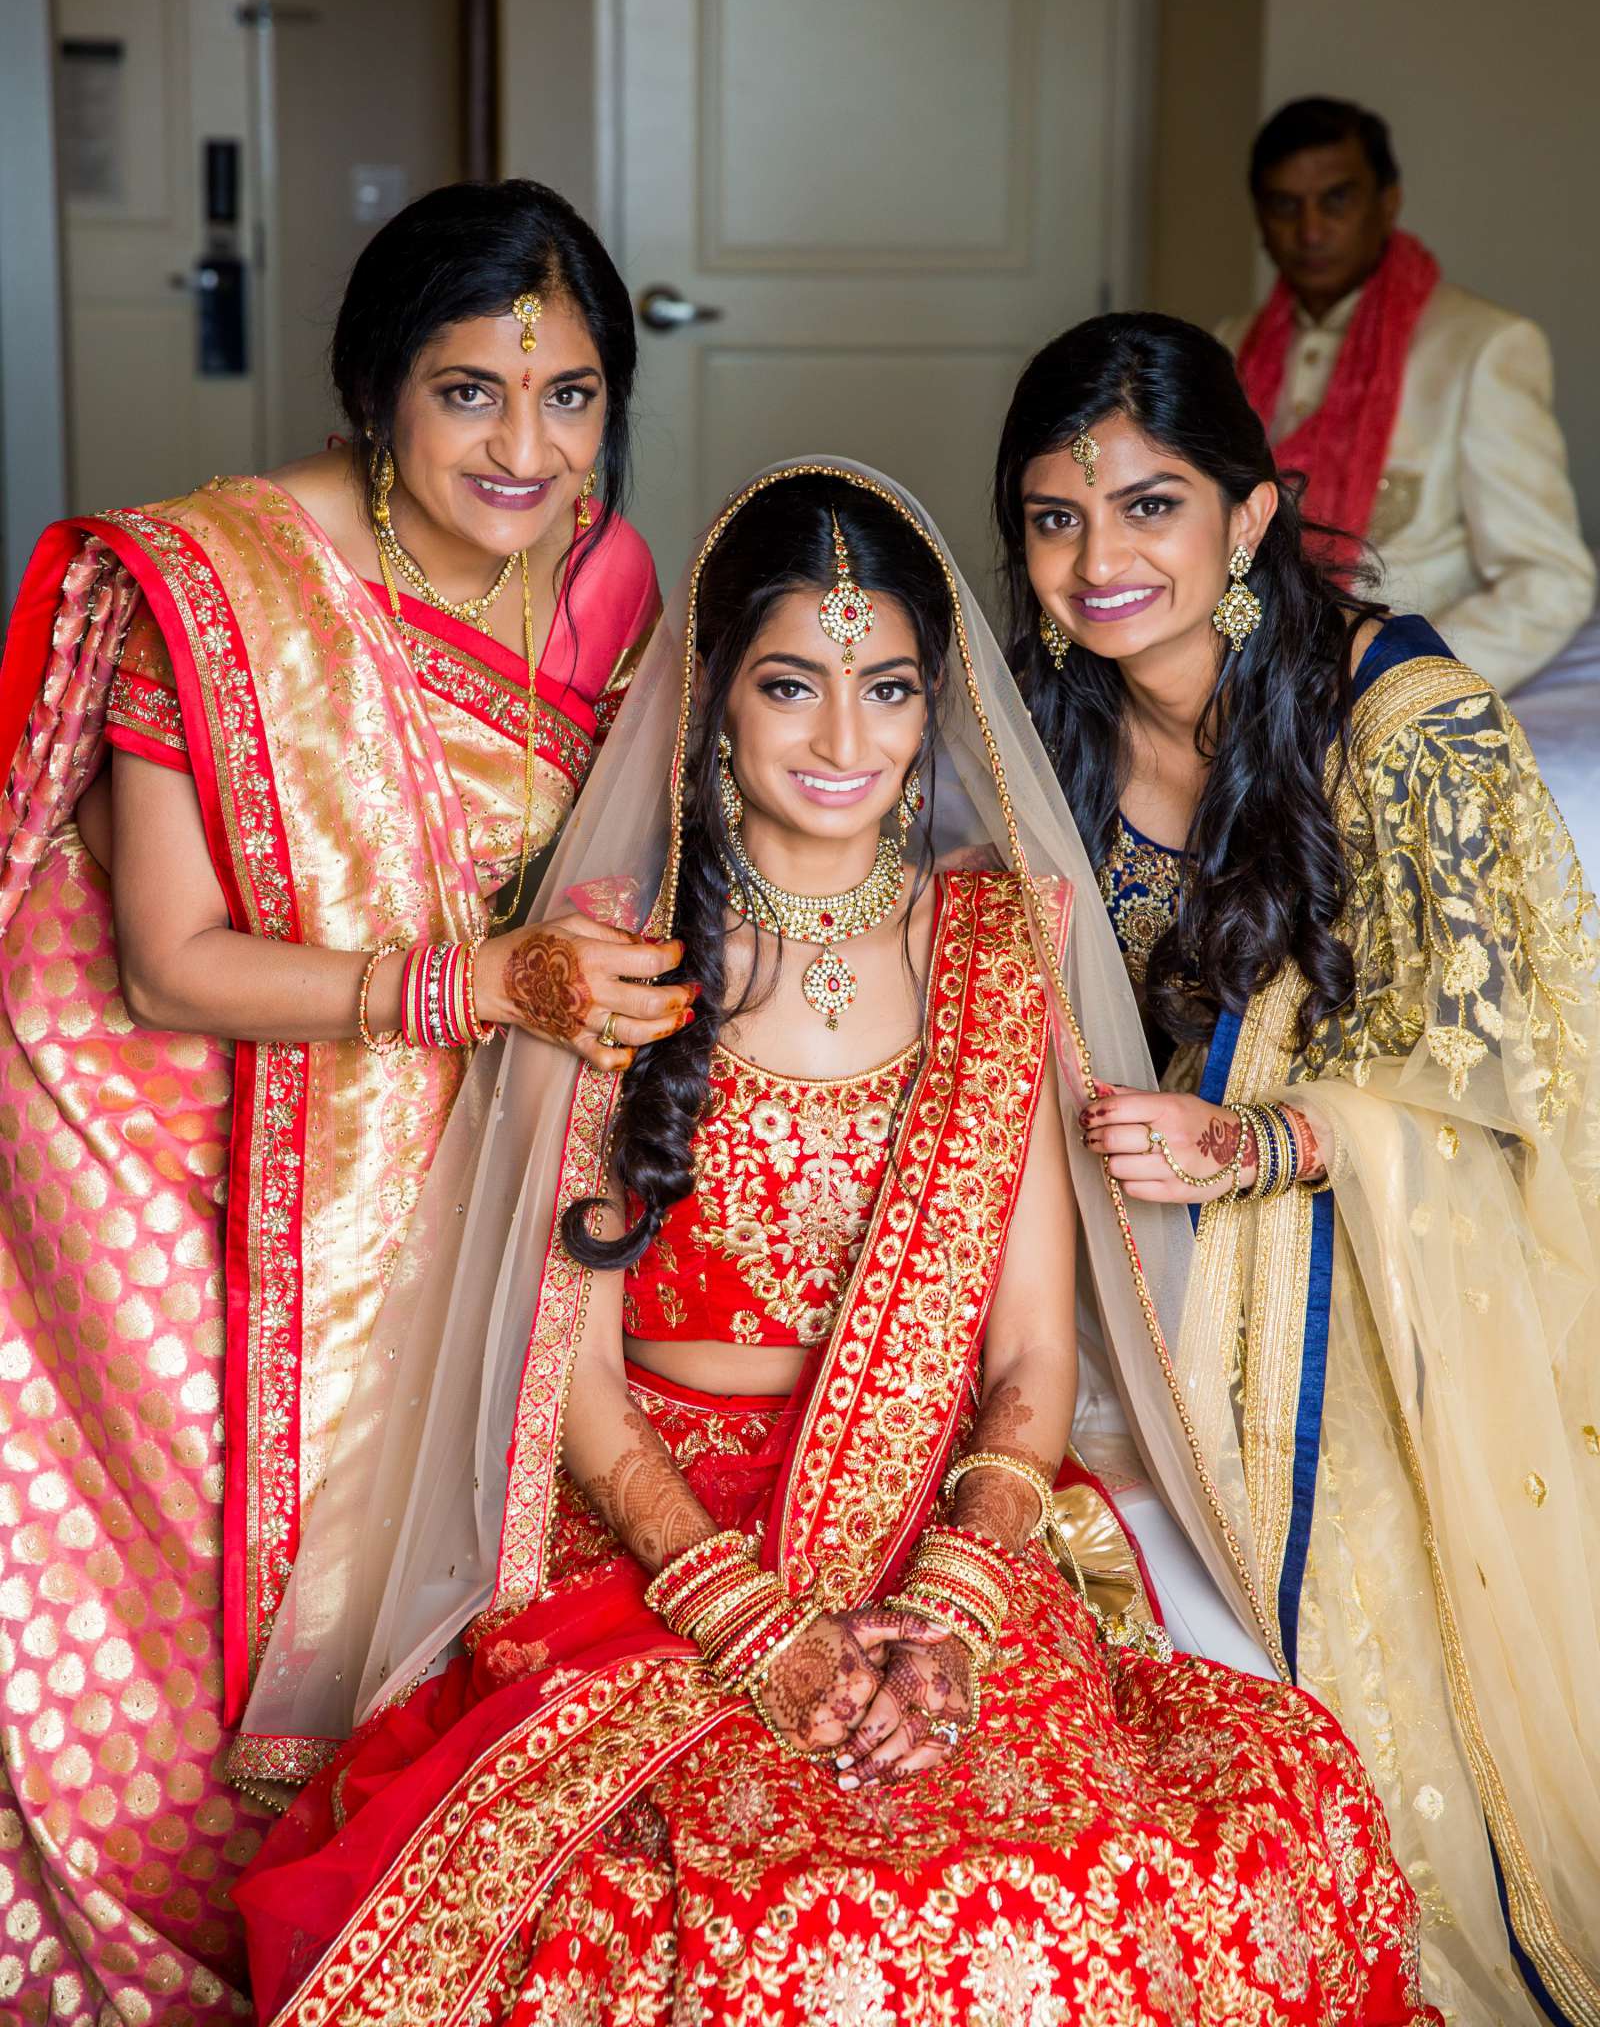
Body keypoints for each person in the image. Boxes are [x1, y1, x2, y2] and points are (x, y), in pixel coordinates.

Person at [231, 463, 1436, 2027]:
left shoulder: (1000, 947)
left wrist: (943, 1616)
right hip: (663, 1547)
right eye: (791, 686)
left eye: (887, 691)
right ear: (713, 696)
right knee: (704, 1910)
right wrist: (756, 1623)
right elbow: (572, 1384)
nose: (844, 742)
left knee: (1191, 1842)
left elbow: (1029, 1355)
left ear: (936, 708)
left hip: (937, 1527)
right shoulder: (613, 954)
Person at [0, 179, 690, 2020]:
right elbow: (166, 962)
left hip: (462, 1141)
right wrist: (475, 992)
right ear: (376, 393)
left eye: (571, 397)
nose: (526, 449)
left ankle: (373, 1944)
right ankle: (159, 1948)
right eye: (470, 393)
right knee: (207, 1586)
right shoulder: (223, 584)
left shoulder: (613, 572)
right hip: (187, 1148)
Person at [994, 314, 1600, 2024]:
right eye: (1053, 517)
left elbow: (1506, 1065)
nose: (1099, 561)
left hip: (1366, 1270)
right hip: (1132, 1251)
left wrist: (1263, 1141)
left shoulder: (1404, 718)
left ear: (1250, 521)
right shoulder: (1049, 721)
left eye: (1149, 508)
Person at [1218, 95, 1594, 694]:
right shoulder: (1226, 350)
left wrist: (1392, 678)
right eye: (1285, 205)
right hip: (1240, 689)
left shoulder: (1480, 348)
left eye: (1336, 200)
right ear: (1260, 218)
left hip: (1385, 699)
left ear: (1388, 201)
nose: (1310, 230)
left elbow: (1549, 581)